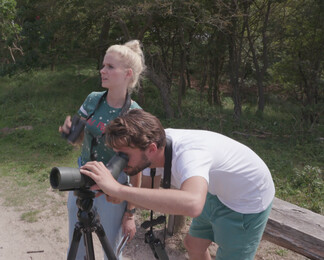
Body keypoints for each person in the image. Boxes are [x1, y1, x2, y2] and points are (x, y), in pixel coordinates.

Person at [80, 109, 275, 260]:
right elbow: (148, 194)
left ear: (152, 149)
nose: (120, 160)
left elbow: (192, 204)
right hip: (215, 191)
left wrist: (119, 189)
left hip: (247, 199)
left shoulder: (189, 155)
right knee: (193, 245)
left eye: (124, 155)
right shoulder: (150, 151)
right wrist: (121, 196)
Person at [59, 40, 146, 259]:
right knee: (76, 245)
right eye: (103, 65)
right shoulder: (92, 99)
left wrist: (130, 214)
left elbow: (135, 169)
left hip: (113, 189)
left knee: (111, 249)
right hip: (82, 180)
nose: (102, 70)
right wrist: (70, 133)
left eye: (110, 67)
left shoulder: (135, 115)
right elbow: (79, 141)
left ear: (127, 74)